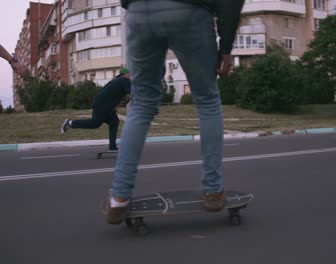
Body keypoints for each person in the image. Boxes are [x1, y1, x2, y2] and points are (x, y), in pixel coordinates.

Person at [104, 0, 245, 225]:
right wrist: (226, 47)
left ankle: (119, 199)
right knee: (208, 101)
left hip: (139, 12)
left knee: (141, 105)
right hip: (189, 12)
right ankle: (212, 191)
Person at [61, 68, 131, 151]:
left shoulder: (116, 81)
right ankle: (70, 123)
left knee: (114, 122)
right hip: (102, 105)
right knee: (95, 123)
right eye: (129, 74)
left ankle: (112, 146)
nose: (130, 76)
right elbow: (129, 95)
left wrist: (115, 106)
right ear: (126, 74)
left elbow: (114, 95)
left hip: (103, 104)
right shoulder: (125, 80)